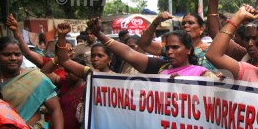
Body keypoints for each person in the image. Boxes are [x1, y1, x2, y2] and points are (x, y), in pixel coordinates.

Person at [87, 18, 217, 78]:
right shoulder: (160, 66)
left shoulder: (202, 73)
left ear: (189, 49)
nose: (169, 52)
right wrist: (99, 34)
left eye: (175, 47)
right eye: (167, 47)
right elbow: (128, 53)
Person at [138, 11, 219, 73]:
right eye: (183, 23)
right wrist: (156, 22)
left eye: (191, 23)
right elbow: (145, 44)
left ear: (201, 29)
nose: (186, 25)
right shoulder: (173, 48)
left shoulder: (210, 51)